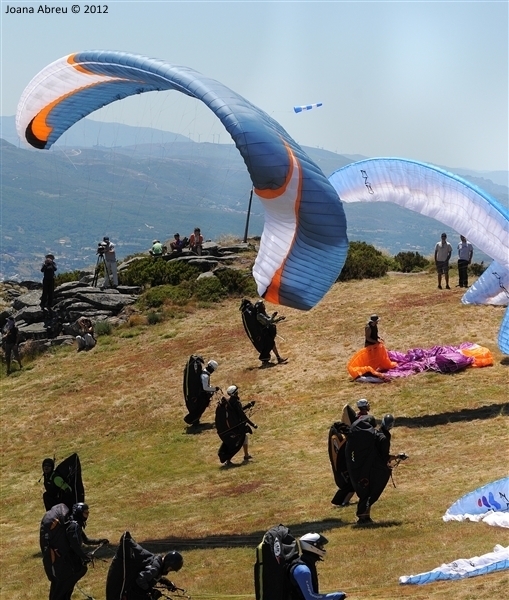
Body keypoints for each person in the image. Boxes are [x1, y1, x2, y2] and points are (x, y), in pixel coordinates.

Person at [48, 502, 108, 600]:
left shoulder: (76, 524)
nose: (87, 515)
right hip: (67, 561)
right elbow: (74, 546)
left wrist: (100, 541)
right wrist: (84, 556)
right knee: (69, 581)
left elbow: (86, 540)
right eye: (85, 513)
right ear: (79, 513)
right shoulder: (74, 526)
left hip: (69, 559)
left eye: (88, 512)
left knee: (70, 582)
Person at [345, 414, 397, 525]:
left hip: (367, 467)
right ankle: (363, 517)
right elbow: (384, 457)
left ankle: (365, 517)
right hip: (375, 469)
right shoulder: (384, 438)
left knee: (367, 491)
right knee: (373, 491)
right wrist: (398, 457)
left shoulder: (376, 433)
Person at [288, 533, 347, 600]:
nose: (323, 548)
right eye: (321, 545)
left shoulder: (307, 564)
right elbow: (310, 598)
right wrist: (336, 596)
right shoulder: (303, 570)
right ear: (312, 546)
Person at [216, 385, 257, 466]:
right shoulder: (235, 402)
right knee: (236, 443)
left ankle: (246, 455)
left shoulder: (230, 401)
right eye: (237, 392)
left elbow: (238, 411)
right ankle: (228, 460)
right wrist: (253, 425)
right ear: (235, 393)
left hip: (231, 428)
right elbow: (243, 416)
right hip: (235, 429)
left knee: (245, 437)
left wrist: (248, 405)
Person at [255, 301, 287, 367]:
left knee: (272, 344)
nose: (264, 306)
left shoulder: (263, 313)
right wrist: (273, 316)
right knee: (268, 346)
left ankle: (278, 358)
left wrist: (279, 319)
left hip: (268, 332)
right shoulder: (259, 315)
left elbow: (271, 321)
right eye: (262, 305)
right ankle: (264, 361)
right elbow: (268, 321)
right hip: (264, 334)